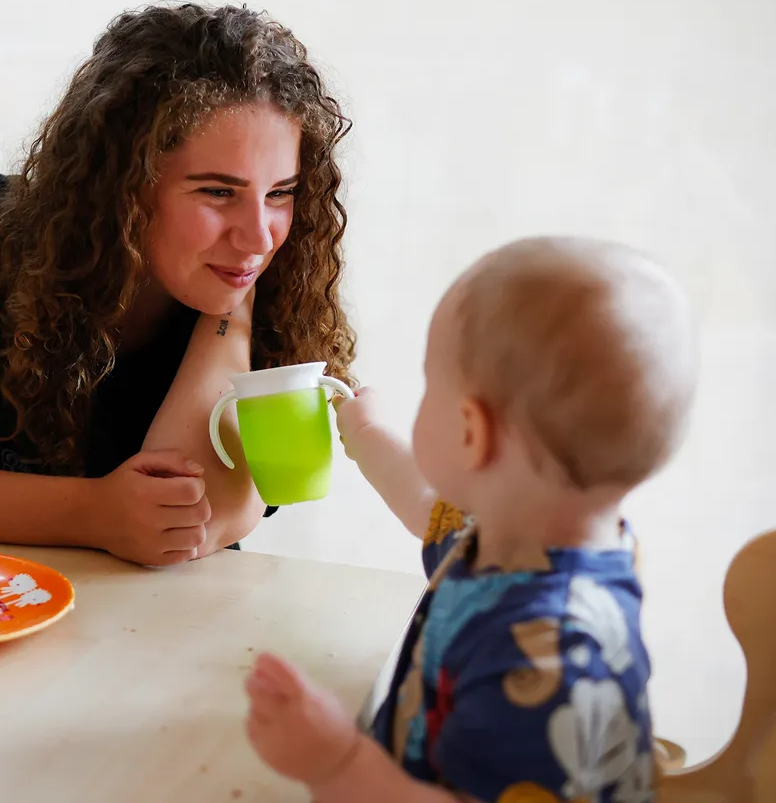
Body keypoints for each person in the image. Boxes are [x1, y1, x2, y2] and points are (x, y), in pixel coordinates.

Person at [0, 2, 356, 567]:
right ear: (124, 186)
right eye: (217, 192)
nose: (259, 236)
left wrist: (230, 313)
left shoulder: (275, 299)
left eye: (280, 193)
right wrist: (91, 512)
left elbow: (189, 521)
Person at [244, 236, 698, 802]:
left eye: (430, 382)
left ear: (469, 432)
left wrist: (337, 763)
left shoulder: (547, 658)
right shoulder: (518, 538)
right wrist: (365, 435)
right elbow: (422, 502)